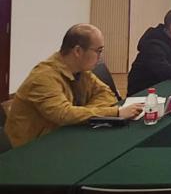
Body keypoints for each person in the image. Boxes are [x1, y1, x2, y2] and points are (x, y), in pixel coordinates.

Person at [3, 24, 144, 148]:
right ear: (78, 51)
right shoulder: (43, 77)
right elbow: (63, 114)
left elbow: (106, 94)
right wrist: (116, 112)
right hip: (30, 149)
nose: (100, 57)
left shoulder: (80, 71)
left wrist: (82, 113)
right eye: (98, 51)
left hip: (62, 136)